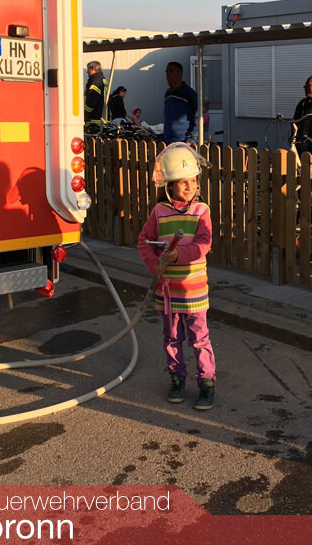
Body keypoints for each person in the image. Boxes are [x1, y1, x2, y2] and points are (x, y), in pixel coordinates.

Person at [138, 143, 216, 410]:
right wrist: (154, 264)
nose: (190, 186)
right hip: (168, 292)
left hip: (194, 290)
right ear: (169, 185)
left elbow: (204, 244)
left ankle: (207, 382)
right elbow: (144, 241)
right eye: (183, 182)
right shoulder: (159, 212)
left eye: (193, 181)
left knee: (200, 338)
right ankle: (177, 378)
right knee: (172, 338)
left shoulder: (201, 211)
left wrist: (178, 255)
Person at [163, 62, 197, 144]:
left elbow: (197, 118)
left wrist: (190, 140)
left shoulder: (189, 94)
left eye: (171, 71)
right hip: (168, 141)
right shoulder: (168, 93)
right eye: (166, 71)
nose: (168, 75)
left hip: (183, 141)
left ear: (180, 73)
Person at [84, 60, 107, 129]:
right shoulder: (102, 79)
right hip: (100, 118)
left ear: (93, 69)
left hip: (93, 120)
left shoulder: (96, 81)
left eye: (88, 69)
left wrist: (85, 114)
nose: (87, 71)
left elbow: (92, 99)